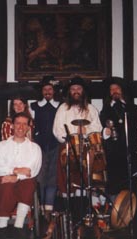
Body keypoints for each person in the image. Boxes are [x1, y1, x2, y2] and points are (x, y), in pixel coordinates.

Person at [53, 76, 103, 224]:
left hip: (87, 147)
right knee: (67, 178)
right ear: (69, 91)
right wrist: (71, 136)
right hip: (68, 147)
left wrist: (85, 130)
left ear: (83, 91)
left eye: (78, 89)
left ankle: (85, 209)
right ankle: (69, 210)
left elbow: (98, 128)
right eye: (73, 89)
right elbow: (57, 130)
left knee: (86, 177)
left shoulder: (91, 109)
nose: (76, 91)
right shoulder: (63, 108)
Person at [0, 112, 42, 238]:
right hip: (4, 179)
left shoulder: (34, 148)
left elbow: (33, 170)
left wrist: (16, 177)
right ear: (12, 126)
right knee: (7, 184)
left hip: (24, 181)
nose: (21, 127)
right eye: (18, 123)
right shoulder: (1, 146)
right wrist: (16, 170)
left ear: (28, 127)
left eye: (24, 124)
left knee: (29, 183)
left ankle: (19, 225)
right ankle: (2, 226)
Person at [100, 77, 137, 196]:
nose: (114, 91)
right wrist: (104, 132)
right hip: (113, 152)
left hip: (130, 149)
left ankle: (132, 212)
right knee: (114, 183)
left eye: (117, 88)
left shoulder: (133, 108)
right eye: (111, 89)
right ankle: (116, 212)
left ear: (122, 90)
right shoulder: (105, 110)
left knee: (131, 183)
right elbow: (101, 127)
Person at [30, 75, 60, 220]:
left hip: (55, 144)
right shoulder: (35, 106)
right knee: (40, 176)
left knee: (53, 177)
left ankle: (49, 207)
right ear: (41, 92)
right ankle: (40, 206)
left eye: (50, 89)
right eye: (45, 89)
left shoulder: (60, 106)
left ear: (54, 91)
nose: (47, 91)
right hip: (40, 145)